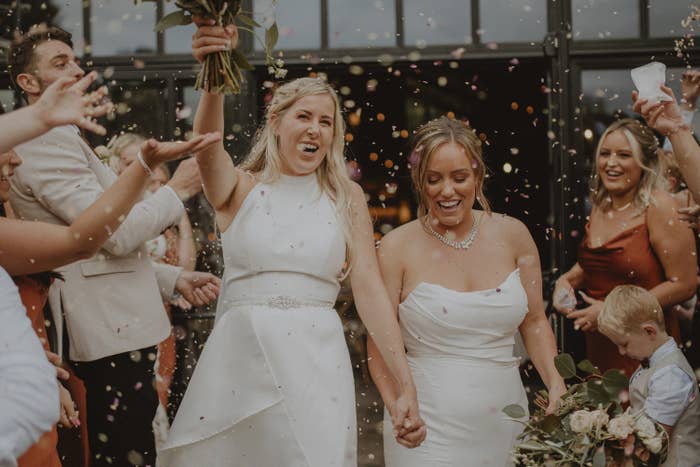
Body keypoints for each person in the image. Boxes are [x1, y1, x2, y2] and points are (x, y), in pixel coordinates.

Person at [158, 20, 425, 467]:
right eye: (304, 117)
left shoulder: (347, 197)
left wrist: (405, 383)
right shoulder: (240, 188)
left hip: (317, 359)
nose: (315, 130)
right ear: (276, 121)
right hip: (240, 355)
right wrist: (215, 72)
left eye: (326, 121)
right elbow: (207, 148)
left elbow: (370, 290)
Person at [6, 25, 222, 466]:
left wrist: (171, 278)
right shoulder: (41, 142)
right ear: (28, 84)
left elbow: (97, 252)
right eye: (59, 63)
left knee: (134, 448)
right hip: (105, 339)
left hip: (118, 330)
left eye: (75, 60)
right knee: (122, 455)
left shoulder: (65, 136)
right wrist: (175, 191)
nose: (76, 69)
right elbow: (109, 235)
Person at [366, 116, 565, 466]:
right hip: (425, 424)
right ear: (419, 181)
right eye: (434, 179)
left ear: (478, 176)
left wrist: (555, 382)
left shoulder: (514, 235)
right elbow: (379, 340)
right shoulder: (396, 247)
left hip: (504, 418)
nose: (447, 191)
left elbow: (534, 321)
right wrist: (397, 402)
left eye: (459, 178)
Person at [552, 118, 696, 376]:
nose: (611, 163)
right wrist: (566, 281)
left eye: (624, 155)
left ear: (644, 163)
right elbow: (602, 262)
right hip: (600, 347)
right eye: (605, 154)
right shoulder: (601, 205)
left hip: (645, 349)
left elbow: (684, 284)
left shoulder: (661, 207)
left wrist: (610, 311)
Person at [597, 285, 700, 467]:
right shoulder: (655, 362)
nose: (621, 352)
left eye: (624, 344)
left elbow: (651, 443)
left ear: (649, 331)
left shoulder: (670, 375)